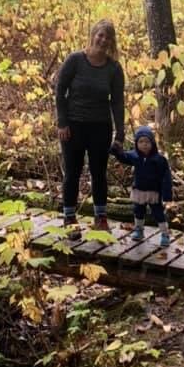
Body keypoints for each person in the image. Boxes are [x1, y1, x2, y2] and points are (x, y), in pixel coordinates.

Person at [55, 19, 125, 238]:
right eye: (100, 35)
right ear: (93, 35)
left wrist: (120, 132)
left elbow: (117, 101)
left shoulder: (113, 68)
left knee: (99, 174)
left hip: (100, 127)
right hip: (73, 127)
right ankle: (69, 218)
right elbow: (60, 91)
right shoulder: (75, 60)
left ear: (112, 42)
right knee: (73, 173)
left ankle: (100, 219)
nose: (103, 40)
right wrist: (62, 122)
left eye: (108, 37)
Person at [110, 125, 173, 248]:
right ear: (136, 143)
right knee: (138, 211)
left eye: (147, 142)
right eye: (141, 142)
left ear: (152, 143)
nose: (144, 145)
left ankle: (165, 234)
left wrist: (167, 194)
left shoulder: (159, 160)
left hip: (154, 193)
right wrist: (116, 151)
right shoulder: (134, 156)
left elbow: (166, 177)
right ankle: (139, 230)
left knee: (158, 213)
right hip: (139, 191)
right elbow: (123, 157)